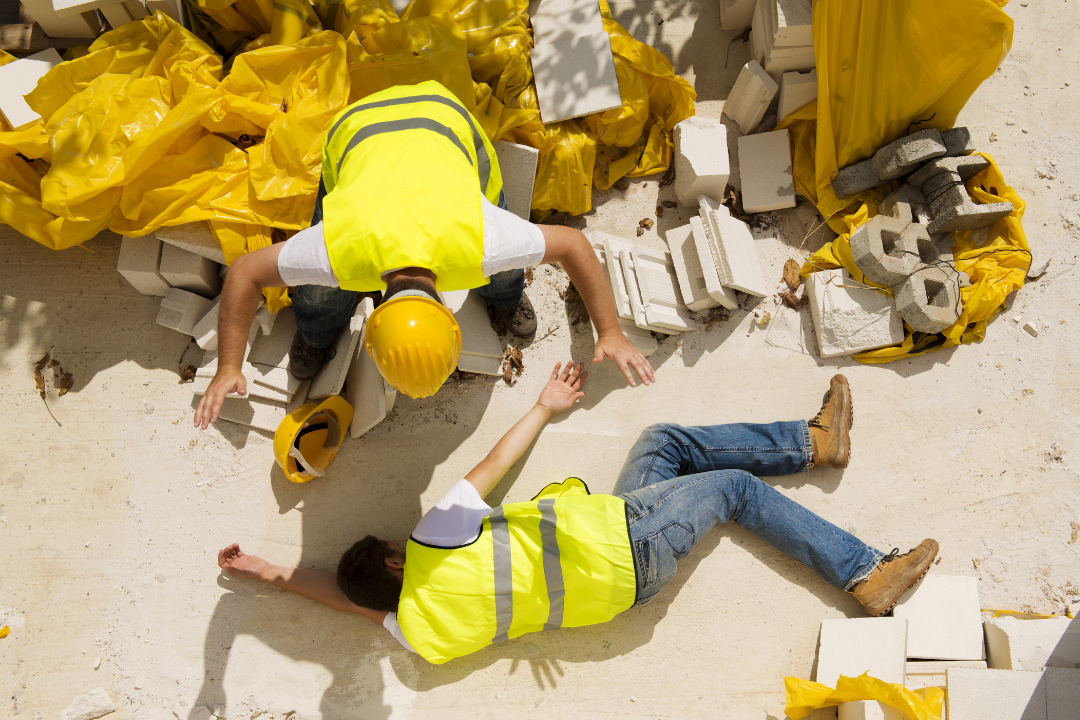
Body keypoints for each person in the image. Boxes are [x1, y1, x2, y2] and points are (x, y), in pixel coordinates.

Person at [217, 365, 938, 664]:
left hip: (619, 585)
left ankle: (817, 443)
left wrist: (267, 573)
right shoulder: (432, 543)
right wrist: (543, 405)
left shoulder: (416, 635)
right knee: (732, 491)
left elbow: (339, 600)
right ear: (397, 560)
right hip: (626, 542)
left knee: (663, 445)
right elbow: (490, 469)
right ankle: (864, 573)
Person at [194, 80, 653, 428]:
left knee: (506, 270)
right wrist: (227, 366)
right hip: (357, 126)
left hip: (443, 116)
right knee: (316, 296)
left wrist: (610, 330)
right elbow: (245, 273)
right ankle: (317, 332)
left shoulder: (485, 240)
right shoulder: (338, 249)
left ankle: (506, 296)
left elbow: (572, 246)